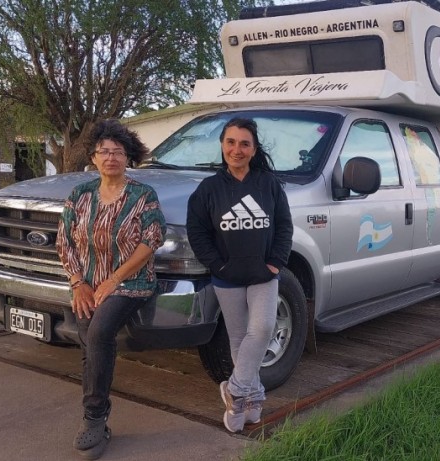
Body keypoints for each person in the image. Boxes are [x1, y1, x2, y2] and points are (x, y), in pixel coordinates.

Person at [57, 119, 166, 459]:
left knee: (99, 332)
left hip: (131, 283)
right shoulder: (81, 194)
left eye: (118, 152)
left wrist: (114, 279)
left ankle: (93, 417)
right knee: (90, 338)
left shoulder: (142, 195)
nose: (110, 157)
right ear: (93, 157)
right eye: (103, 151)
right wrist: (78, 283)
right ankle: (97, 420)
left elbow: (153, 238)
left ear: (128, 158)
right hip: (88, 284)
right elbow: (64, 240)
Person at [186, 117, 293, 432]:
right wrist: (217, 265)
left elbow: (284, 226)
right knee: (238, 338)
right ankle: (253, 399)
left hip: (263, 274)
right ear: (222, 146)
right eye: (231, 142)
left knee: (261, 329)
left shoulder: (268, 184)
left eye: (244, 143)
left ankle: (233, 390)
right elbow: (197, 232)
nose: (237, 149)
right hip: (226, 276)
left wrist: (275, 262)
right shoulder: (209, 189)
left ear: (254, 148)